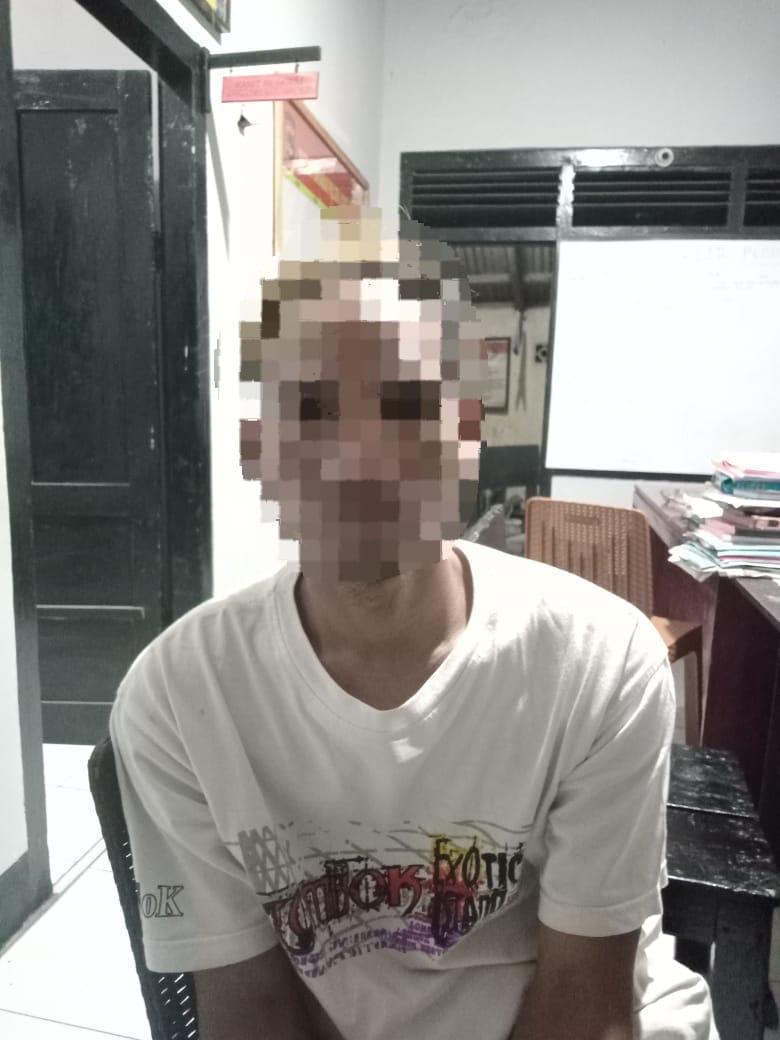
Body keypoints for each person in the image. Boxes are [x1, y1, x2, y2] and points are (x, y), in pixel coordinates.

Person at [109, 205, 720, 1040]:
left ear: (464, 436)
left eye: (403, 404)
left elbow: (587, 1005)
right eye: (313, 408)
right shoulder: (179, 697)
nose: (358, 454)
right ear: (258, 448)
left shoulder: (598, 665)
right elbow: (248, 1008)